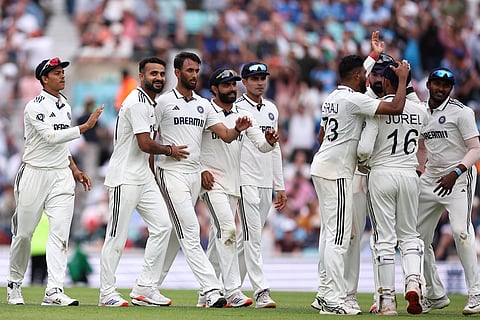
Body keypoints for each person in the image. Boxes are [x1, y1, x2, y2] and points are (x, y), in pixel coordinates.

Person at [309, 31, 410, 315]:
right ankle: (333, 299)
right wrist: (401, 79)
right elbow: (396, 106)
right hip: (338, 173)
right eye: (364, 76)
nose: (368, 80)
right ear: (356, 78)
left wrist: (374, 55)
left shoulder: (332, 97)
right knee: (340, 238)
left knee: (330, 236)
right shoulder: (355, 101)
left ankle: (324, 293)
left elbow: (319, 137)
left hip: (322, 166)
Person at [153, 52, 252, 308]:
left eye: (197, 70)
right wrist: (159, 162)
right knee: (193, 230)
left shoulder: (203, 105)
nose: (194, 75)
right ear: (177, 72)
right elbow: (147, 138)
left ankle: (147, 285)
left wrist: (237, 129)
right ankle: (215, 289)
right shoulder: (163, 103)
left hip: (193, 176)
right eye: (189, 70)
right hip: (171, 171)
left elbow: (226, 136)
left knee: (178, 234)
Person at [6, 57, 103, 306]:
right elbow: (50, 137)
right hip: (34, 173)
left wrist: (74, 169)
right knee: (24, 235)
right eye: (57, 73)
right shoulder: (34, 106)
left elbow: (62, 146)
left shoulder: (65, 106)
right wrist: (85, 127)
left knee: (60, 234)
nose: (62, 76)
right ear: (44, 79)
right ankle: (14, 285)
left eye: (63, 72)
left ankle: (54, 290)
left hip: (61, 175)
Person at [99, 57, 188, 307]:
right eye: (153, 74)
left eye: (161, 73)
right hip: (124, 177)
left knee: (163, 226)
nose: (158, 78)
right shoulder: (137, 102)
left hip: (143, 176)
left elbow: (146, 149)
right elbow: (144, 144)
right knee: (116, 235)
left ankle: (144, 288)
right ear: (141, 76)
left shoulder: (151, 103)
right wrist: (170, 150)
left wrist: (153, 175)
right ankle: (107, 293)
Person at [198, 68, 278, 308]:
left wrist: (270, 142)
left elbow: (261, 146)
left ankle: (206, 293)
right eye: (226, 85)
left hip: (234, 184)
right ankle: (232, 290)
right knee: (229, 230)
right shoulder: (206, 111)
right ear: (215, 89)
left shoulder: (242, 115)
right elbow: (192, 143)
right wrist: (201, 168)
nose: (232, 89)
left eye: (234, 85)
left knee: (218, 239)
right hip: (212, 183)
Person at [357, 61, 427, 315]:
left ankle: (387, 301)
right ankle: (413, 281)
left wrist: (362, 162)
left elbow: (364, 149)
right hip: (409, 175)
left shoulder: (379, 107)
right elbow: (424, 135)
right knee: (409, 235)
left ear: (386, 82)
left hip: (382, 174)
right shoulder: (419, 110)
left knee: (384, 240)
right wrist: (406, 79)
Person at [416, 67, 480, 315]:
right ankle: (434, 294)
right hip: (431, 177)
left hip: (459, 178)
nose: (441, 90)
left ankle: (476, 294)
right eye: (437, 85)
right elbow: (422, 146)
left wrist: (455, 173)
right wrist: (420, 170)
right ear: (429, 84)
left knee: (460, 232)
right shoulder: (421, 111)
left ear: (451, 89)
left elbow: (475, 148)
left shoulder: (461, 112)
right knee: (416, 239)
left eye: (446, 86)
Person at [235, 61, 287, 308]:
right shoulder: (236, 109)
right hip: (245, 180)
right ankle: (261, 291)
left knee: (245, 239)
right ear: (244, 82)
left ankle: (226, 288)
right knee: (253, 236)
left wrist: (280, 184)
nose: (260, 82)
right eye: (254, 78)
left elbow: (275, 148)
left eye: (263, 78)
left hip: (266, 182)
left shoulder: (271, 109)